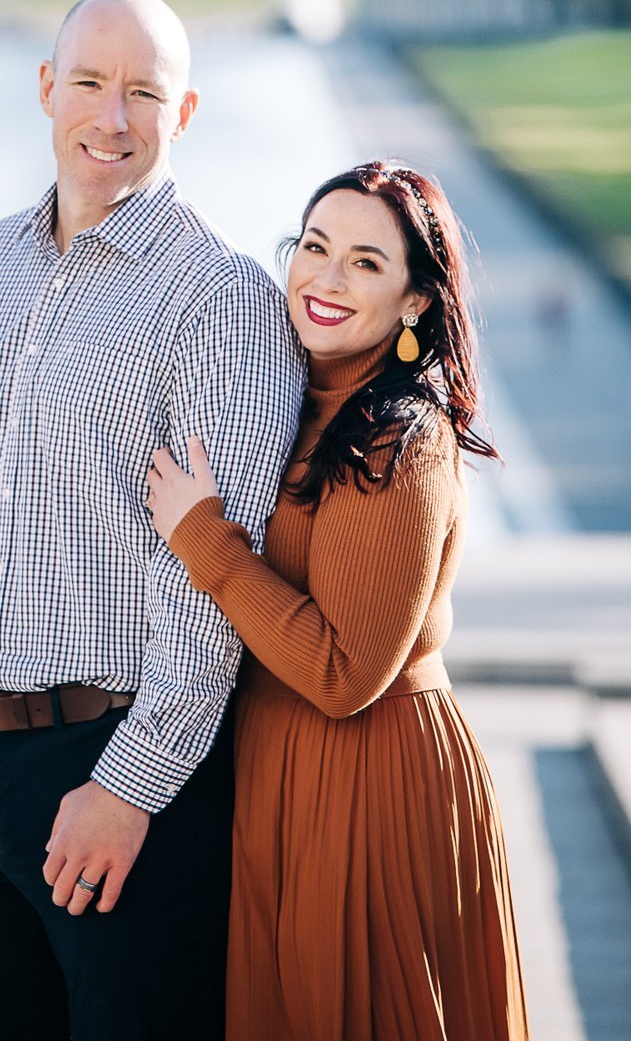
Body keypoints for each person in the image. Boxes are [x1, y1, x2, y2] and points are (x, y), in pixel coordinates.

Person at [0, 0, 304, 1041]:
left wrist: (130, 785)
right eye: (88, 84)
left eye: (142, 93)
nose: (111, 120)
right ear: (45, 89)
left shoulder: (222, 301)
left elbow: (215, 575)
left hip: (118, 777)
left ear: (187, 111)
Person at [145, 159, 530, 1040]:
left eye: (364, 262)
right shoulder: (297, 399)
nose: (324, 278)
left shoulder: (400, 436)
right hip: (275, 769)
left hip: (370, 776)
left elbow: (343, 672)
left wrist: (206, 537)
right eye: (314, 247)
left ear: (414, 303)